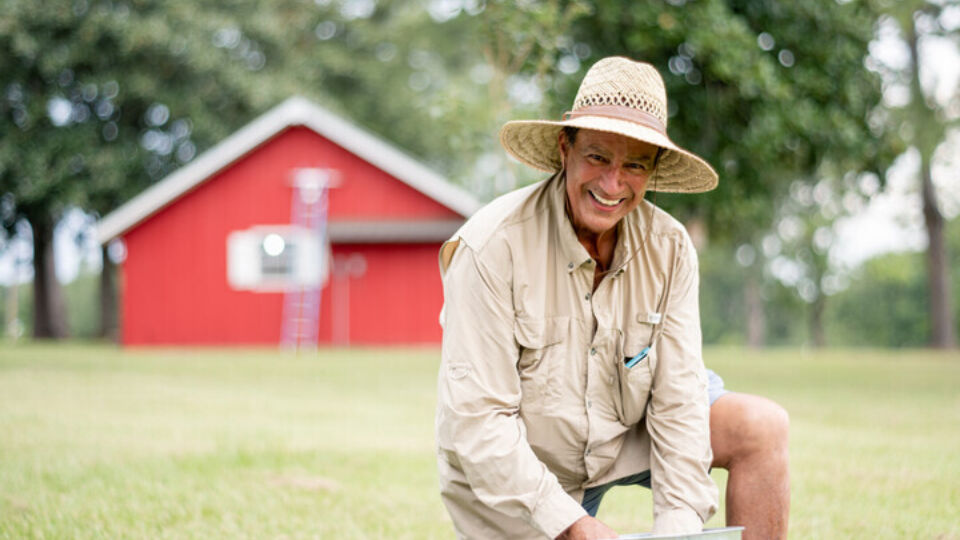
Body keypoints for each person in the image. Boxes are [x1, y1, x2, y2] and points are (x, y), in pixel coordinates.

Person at [435, 56, 789, 540]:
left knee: (760, 426)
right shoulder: (489, 249)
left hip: (621, 437)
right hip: (521, 474)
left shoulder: (670, 247)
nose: (612, 184)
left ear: (653, 171)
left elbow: (680, 399)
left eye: (635, 165)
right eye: (598, 157)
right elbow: (480, 424)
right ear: (565, 147)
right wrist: (574, 525)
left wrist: (679, 529)